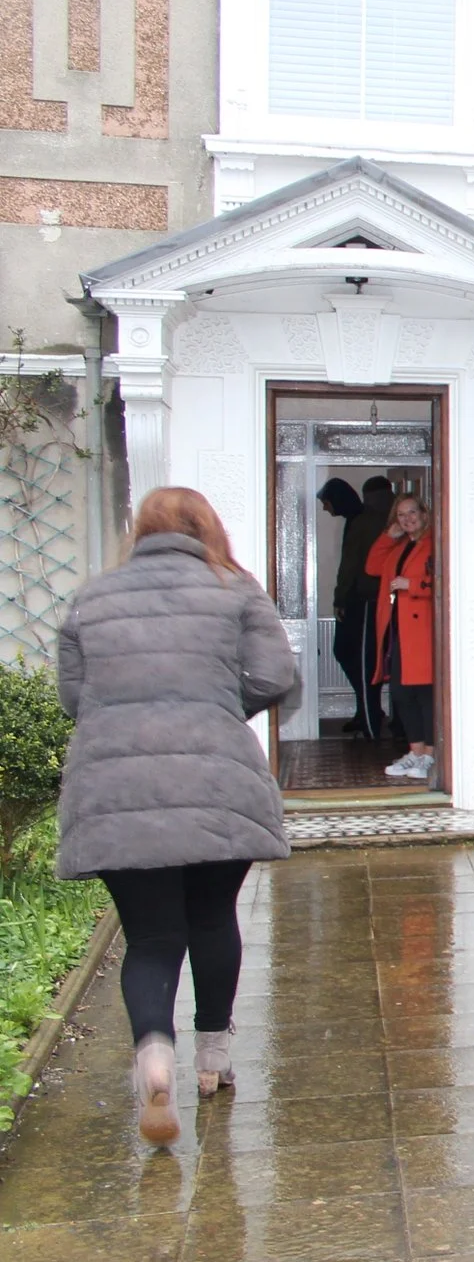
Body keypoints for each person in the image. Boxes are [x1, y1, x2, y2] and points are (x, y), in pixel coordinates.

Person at [54, 486, 298, 1146]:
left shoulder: (91, 597)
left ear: (141, 529)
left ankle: (154, 1056)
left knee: (153, 937)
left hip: (115, 792)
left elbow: (74, 696)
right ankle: (212, 1060)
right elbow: (277, 676)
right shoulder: (236, 589)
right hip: (218, 780)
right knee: (214, 916)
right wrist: (218, 703)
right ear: (207, 528)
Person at [367, 494, 438, 783]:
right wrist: (388, 535)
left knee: (424, 695)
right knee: (400, 694)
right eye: (401, 515)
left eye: (412, 513)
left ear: (424, 513)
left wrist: (414, 585)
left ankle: (429, 756)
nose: (407, 519)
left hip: (422, 632)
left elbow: (445, 579)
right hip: (399, 631)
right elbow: (372, 567)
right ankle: (415, 751)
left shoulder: (436, 542)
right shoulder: (399, 547)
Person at [321, 476, 391, 740]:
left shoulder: (364, 522)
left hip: (362, 601)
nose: (325, 508)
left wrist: (340, 599)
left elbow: (351, 566)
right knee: (374, 659)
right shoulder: (387, 519)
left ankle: (370, 719)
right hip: (384, 600)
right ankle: (369, 712)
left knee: (359, 658)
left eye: (326, 503)